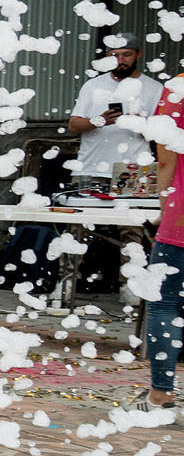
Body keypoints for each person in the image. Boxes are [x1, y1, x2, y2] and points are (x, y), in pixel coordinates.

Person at [140, 82, 184, 413]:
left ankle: (160, 396)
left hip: (181, 216)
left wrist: (163, 207)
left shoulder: (178, 89)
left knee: (164, 302)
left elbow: (166, 160)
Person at [67, 42, 162, 180]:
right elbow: (73, 126)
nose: (120, 60)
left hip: (134, 171)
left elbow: (162, 135)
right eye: (114, 55)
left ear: (138, 54)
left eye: (127, 54)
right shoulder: (92, 85)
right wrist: (101, 120)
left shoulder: (155, 88)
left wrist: (139, 124)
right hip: (90, 169)